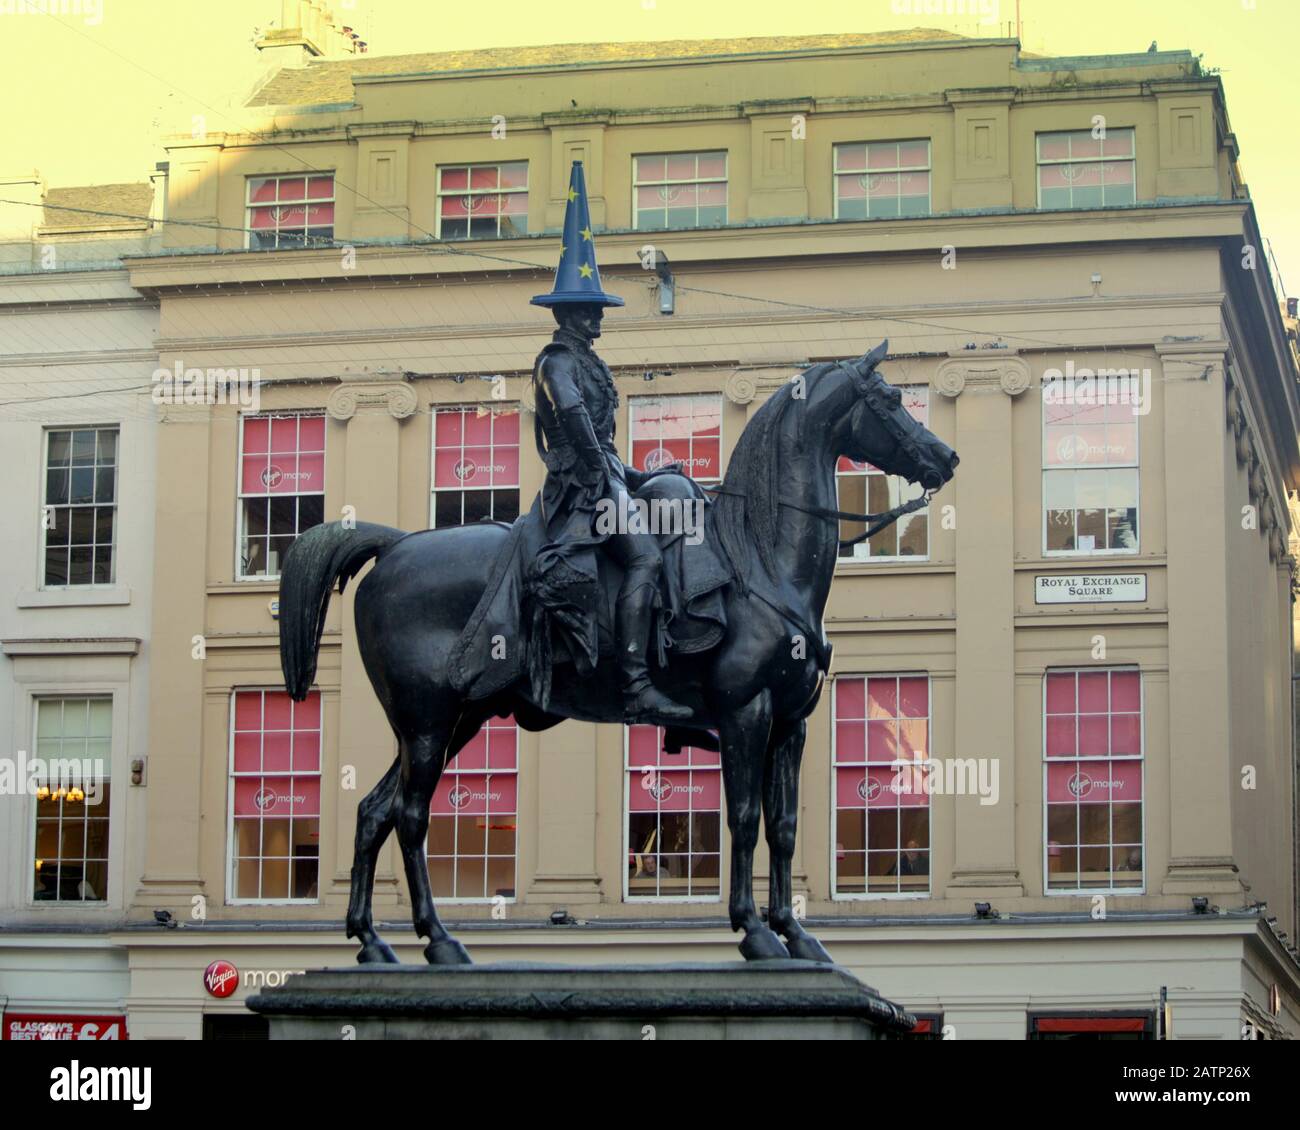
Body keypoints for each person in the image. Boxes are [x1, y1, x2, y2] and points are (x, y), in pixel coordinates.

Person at [530, 161, 692, 725]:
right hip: (579, 489)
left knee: (678, 503)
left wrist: (641, 476)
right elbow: (574, 422)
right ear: (571, 312)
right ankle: (635, 682)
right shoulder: (555, 362)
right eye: (592, 309)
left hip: (607, 478)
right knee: (644, 555)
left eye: (599, 309)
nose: (599, 318)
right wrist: (609, 476)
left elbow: (602, 435)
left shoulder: (590, 360)